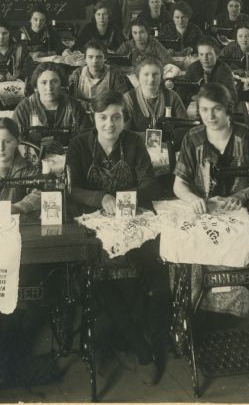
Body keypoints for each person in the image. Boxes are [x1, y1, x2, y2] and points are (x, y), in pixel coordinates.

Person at [65, 90, 167, 384]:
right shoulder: (79, 145)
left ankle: (129, 334)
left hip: (131, 218)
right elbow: (73, 190)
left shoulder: (134, 142)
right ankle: (141, 347)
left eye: (116, 117)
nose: (109, 124)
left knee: (151, 266)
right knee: (99, 271)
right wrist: (102, 198)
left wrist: (123, 201)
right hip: (92, 221)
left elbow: (150, 185)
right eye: (103, 117)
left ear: (125, 119)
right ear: (93, 118)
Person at [172, 83, 249, 317]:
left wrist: (241, 196)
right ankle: (195, 307)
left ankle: (235, 309)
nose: (210, 116)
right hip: (203, 209)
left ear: (228, 109)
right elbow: (178, 185)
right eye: (204, 110)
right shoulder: (193, 138)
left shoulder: (245, 135)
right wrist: (193, 198)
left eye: (216, 109)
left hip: (239, 211)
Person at [13, 62, 90, 148]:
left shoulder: (74, 106)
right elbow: (15, 139)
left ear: (61, 83)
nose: (49, 88)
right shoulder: (24, 108)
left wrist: (61, 142)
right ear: (36, 86)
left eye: (54, 82)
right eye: (43, 82)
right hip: (33, 157)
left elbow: (86, 138)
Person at [122, 56, 187, 132]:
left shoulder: (172, 97)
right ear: (138, 77)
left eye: (155, 74)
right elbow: (123, 133)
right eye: (146, 74)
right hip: (136, 143)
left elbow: (184, 128)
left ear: (161, 76)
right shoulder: (128, 99)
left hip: (167, 143)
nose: (151, 79)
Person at [68, 39, 132, 104]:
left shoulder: (115, 74)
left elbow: (123, 99)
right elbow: (70, 101)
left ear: (105, 58)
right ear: (85, 59)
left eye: (99, 57)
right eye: (90, 57)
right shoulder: (77, 75)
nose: (94, 61)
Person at [185, 37, 238, 105]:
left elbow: (232, 96)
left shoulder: (224, 69)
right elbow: (183, 91)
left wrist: (211, 99)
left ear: (217, 54)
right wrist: (192, 96)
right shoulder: (192, 68)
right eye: (201, 54)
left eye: (209, 54)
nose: (205, 58)